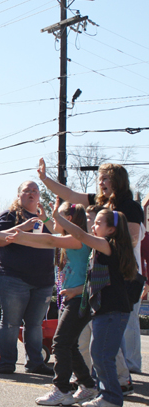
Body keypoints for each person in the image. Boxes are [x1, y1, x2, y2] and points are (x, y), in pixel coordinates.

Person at [0, 201, 98, 406]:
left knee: (60, 343)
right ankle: (87, 385)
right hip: (74, 298)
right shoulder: (72, 237)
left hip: (79, 300)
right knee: (69, 344)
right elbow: (46, 238)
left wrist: (12, 235)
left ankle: (62, 389)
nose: (52, 221)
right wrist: (38, 223)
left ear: (68, 220)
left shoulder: (77, 240)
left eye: (57, 217)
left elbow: (47, 239)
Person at [38, 159, 144, 374]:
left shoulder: (130, 207)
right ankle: (104, 378)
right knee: (100, 331)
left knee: (123, 326)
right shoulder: (99, 202)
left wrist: (98, 243)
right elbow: (70, 195)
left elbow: (130, 239)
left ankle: (128, 372)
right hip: (100, 273)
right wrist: (45, 179)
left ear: (118, 181)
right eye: (100, 179)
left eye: (105, 178)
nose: (101, 183)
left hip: (124, 274)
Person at [52, 206, 138, 407]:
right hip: (105, 310)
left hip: (112, 310)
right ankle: (106, 394)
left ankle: (111, 397)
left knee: (102, 355)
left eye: (99, 223)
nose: (93, 225)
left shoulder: (108, 245)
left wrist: (56, 217)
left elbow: (80, 235)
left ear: (111, 230)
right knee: (99, 354)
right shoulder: (106, 246)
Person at [0, 180, 54, 375]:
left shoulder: (45, 219)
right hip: (14, 278)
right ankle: (7, 363)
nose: (32, 193)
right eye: (27, 190)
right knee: (11, 323)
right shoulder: (9, 216)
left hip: (43, 280)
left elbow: (58, 237)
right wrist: (23, 227)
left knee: (35, 325)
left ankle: (35, 363)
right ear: (19, 195)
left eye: (35, 190)